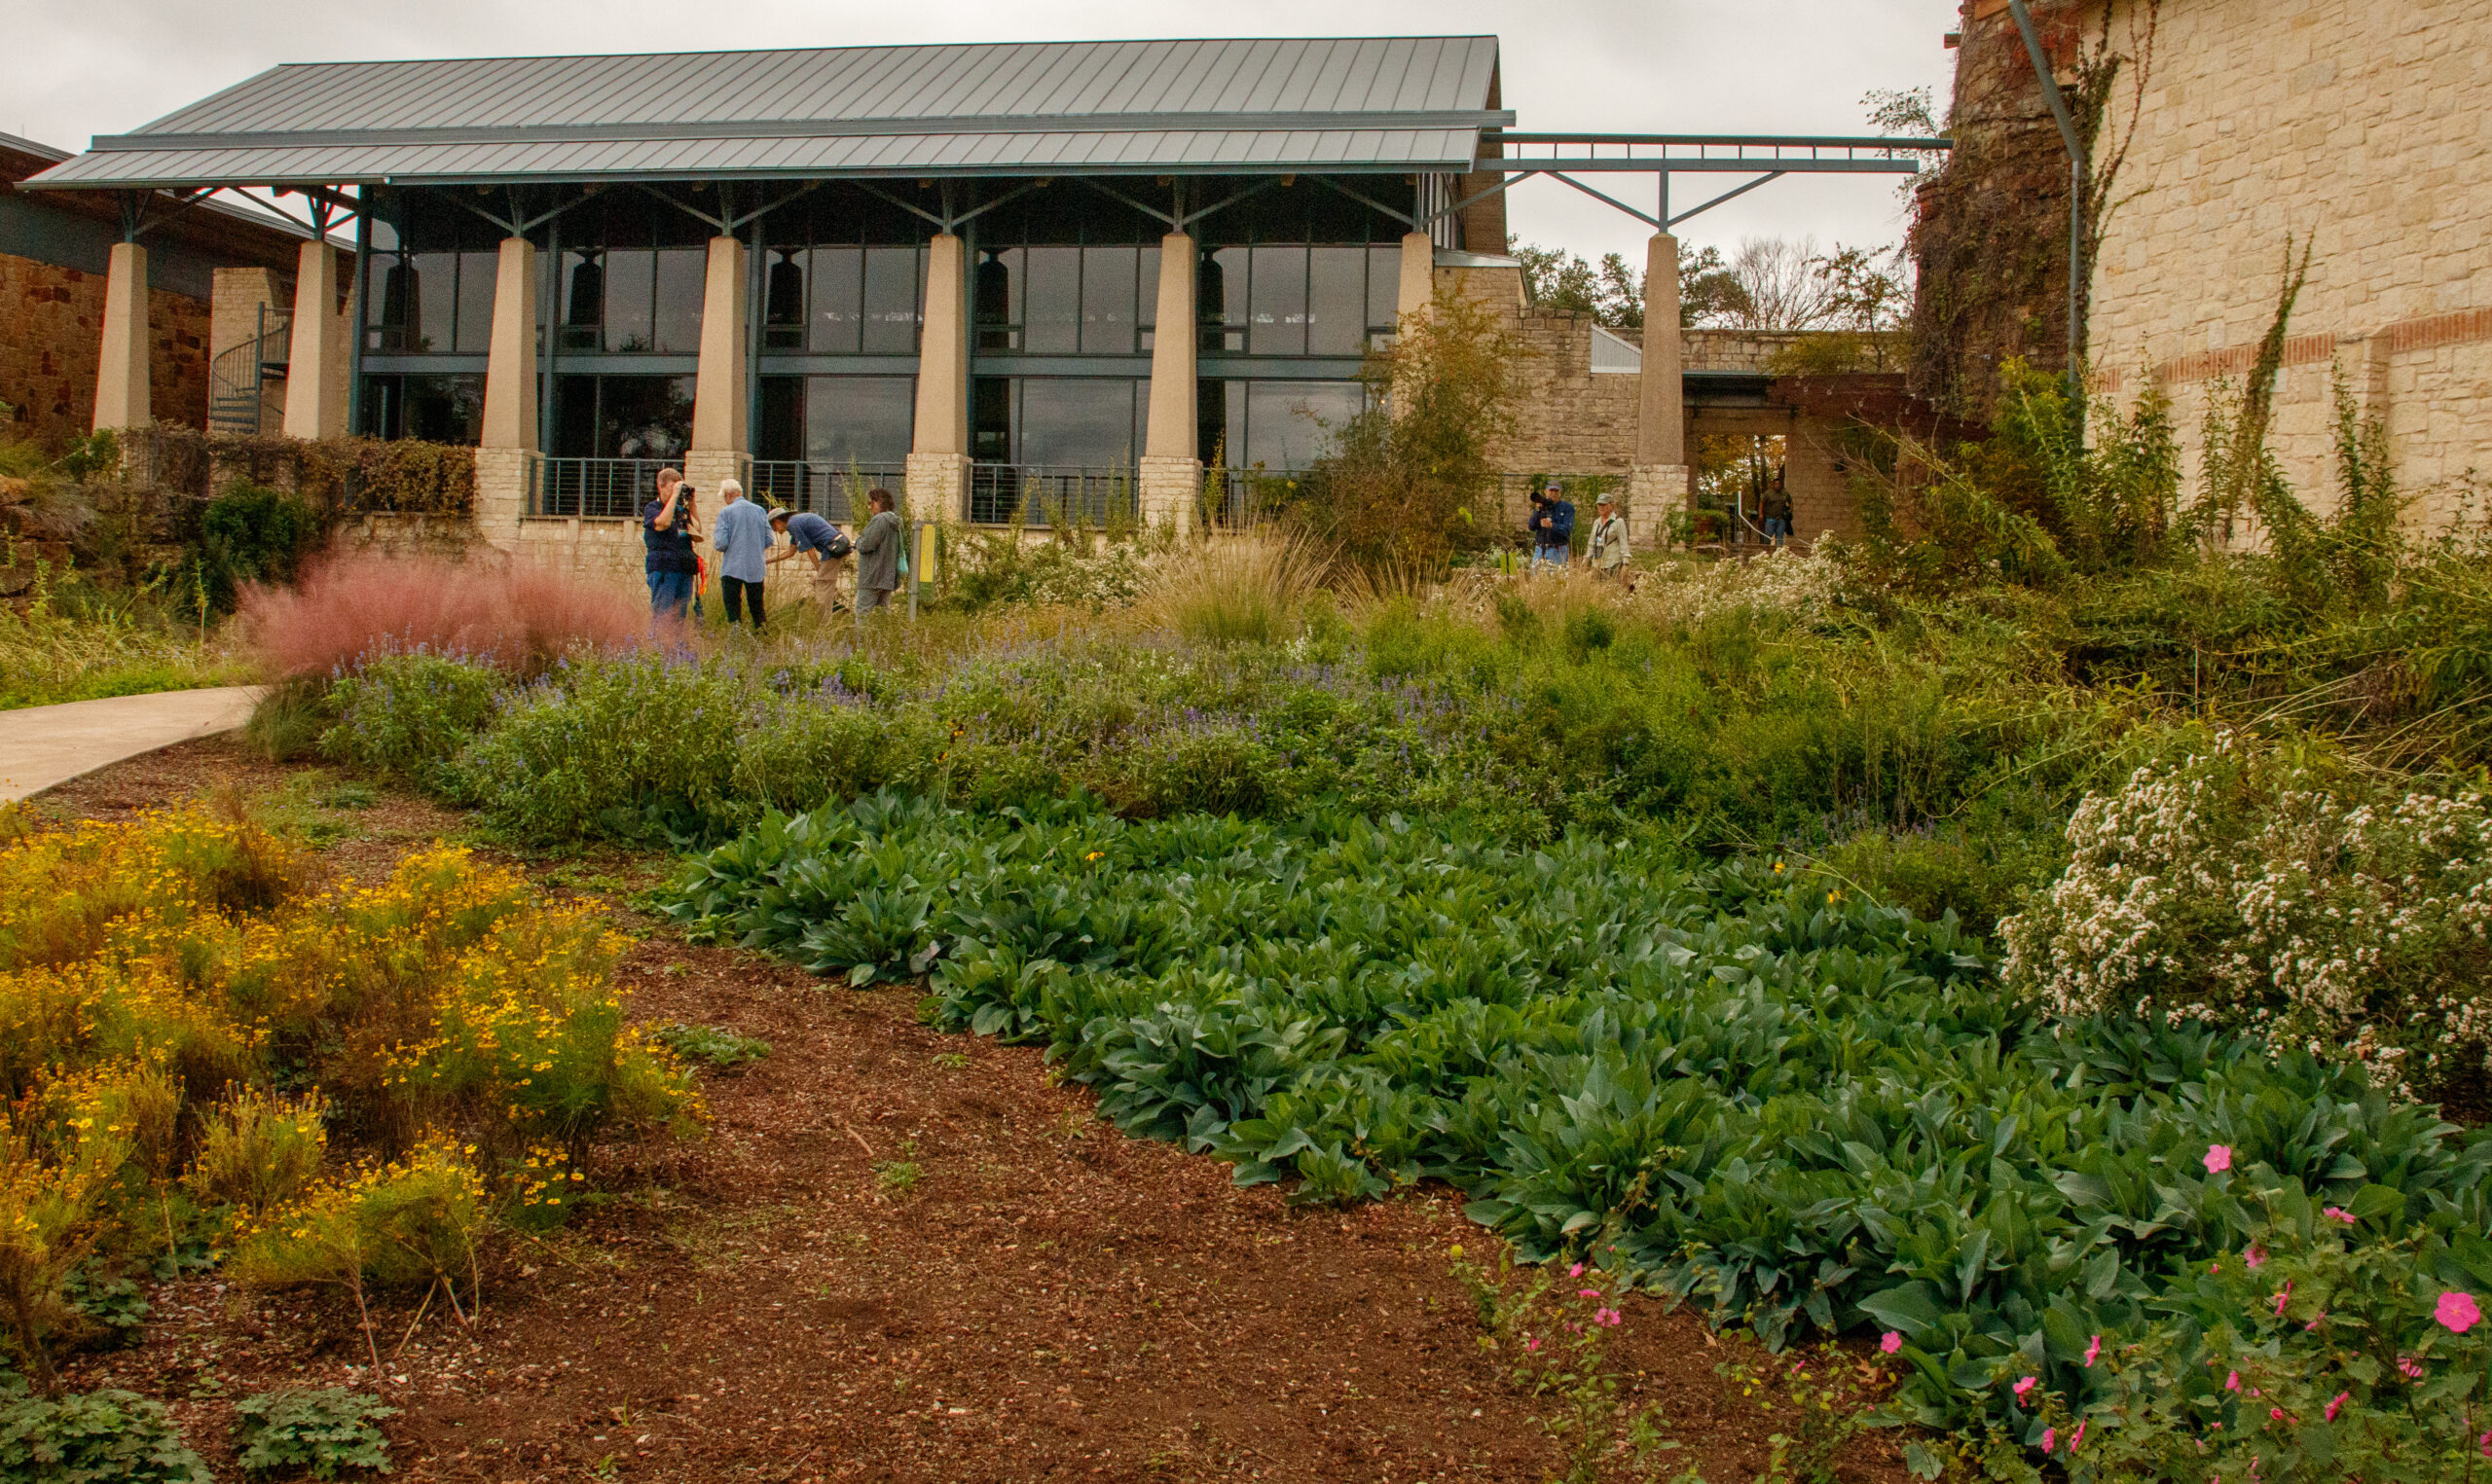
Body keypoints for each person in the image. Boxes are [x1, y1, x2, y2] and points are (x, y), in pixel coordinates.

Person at [709, 477, 774, 631]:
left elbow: (721, 543)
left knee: (733, 609)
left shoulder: (726, 513)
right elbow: (769, 539)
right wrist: (755, 546)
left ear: (728, 495)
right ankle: (762, 635)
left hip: (732, 567)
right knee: (758, 608)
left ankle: (736, 639)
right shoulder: (760, 510)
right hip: (756, 567)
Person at [768, 505, 854, 610]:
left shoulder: (793, 524)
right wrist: (766, 561)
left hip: (832, 548)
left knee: (822, 585)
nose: (775, 531)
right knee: (823, 584)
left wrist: (818, 568)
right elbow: (790, 552)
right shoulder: (797, 521)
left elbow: (810, 550)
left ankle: (824, 623)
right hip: (837, 545)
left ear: (777, 522)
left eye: (773, 528)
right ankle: (829, 616)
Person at [641, 469, 701, 621]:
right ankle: (658, 644)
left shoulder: (681, 511)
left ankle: (677, 645)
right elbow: (663, 523)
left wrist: (692, 504)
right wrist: (674, 496)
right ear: (660, 487)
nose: (676, 491)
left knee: (679, 616)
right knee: (663, 614)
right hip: (663, 568)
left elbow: (698, 532)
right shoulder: (652, 508)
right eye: (672, 487)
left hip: (683, 567)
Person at [853, 488, 902, 615]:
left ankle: (862, 636)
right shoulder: (895, 521)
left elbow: (866, 545)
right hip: (887, 577)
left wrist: (857, 542)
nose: (869, 507)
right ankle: (882, 636)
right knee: (882, 615)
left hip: (872, 577)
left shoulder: (879, 520)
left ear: (879, 502)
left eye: (871, 503)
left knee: (863, 613)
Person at [1530, 478, 1575, 573]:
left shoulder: (1567, 508)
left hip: (1557, 549)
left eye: (1556, 490)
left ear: (1560, 492)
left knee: (1556, 580)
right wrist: (1538, 511)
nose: (1553, 493)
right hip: (1540, 549)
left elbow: (1567, 529)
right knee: (1536, 580)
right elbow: (1531, 526)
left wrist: (1551, 525)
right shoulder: (1542, 507)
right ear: (1546, 491)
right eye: (1551, 490)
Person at [1589, 493, 1631, 579]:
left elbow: (1623, 542)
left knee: (1611, 587)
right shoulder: (1597, 522)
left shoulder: (1618, 522)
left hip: (1613, 562)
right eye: (1599, 504)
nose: (1601, 507)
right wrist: (1586, 558)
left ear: (1611, 505)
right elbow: (1592, 542)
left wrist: (1625, 564)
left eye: (1604, 504)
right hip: (1598, 563)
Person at [1761, 470, 1793, 548]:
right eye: (1776, 484)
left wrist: (1790, 510)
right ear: (1773, 485)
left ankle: (1778, 552)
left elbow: (1791, 501)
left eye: (1779, 484)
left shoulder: (1784, 493)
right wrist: (1761, 513)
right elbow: (1762, 503)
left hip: (1781, 518)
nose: (1777, 485)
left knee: (1779, 538)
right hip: (1770, 518)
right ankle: (1766, 552)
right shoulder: (1768, 493)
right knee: (1768, 536)